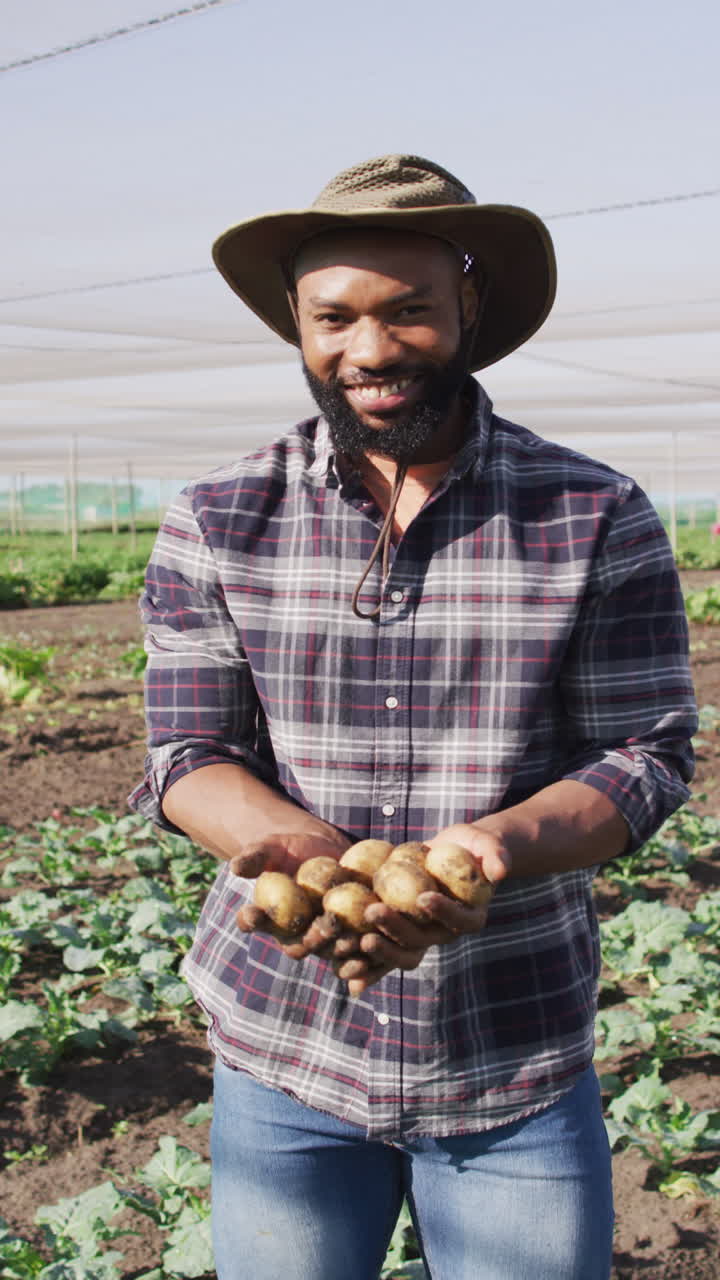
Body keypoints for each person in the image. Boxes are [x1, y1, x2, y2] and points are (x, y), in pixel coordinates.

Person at [129, 154, 697, 1280]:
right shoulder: (218, 515)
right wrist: (303, 855)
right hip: (282, 1048)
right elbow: (189, 753)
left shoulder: (594, 513)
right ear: (297, 323)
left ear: (468, 305)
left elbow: (647, 753)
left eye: (409, 310)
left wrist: (492, 849)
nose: (372, 349)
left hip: (511, 1048)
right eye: (334, 316)